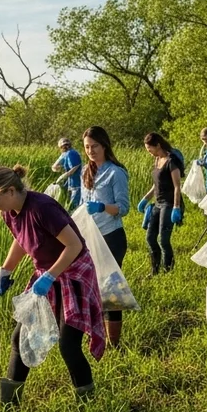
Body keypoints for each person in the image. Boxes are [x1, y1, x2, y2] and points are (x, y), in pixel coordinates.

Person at [0, 166, 105, 405]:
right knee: (21, 337)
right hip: (46, 275)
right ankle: (9, 403)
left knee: (68, 344)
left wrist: (50, 276)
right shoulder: (8, 211)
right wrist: (5, 270)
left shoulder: (43, 208)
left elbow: (74, 246)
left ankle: (88, 402)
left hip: (73, 272)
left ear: (10, 191)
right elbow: (22, 240)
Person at [80, 126, 131, 348]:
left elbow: (123, 207)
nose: (91, 151)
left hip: (111, 237)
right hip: (91, 237)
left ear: (104, 145)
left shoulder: (115, 173)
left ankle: (114, 343)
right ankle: (96, 337)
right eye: (87, 147)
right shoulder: (85, 171)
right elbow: (82, 204)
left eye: (95, 146)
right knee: (91, 288)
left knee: (110, 292)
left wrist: (102, 206)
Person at [136, 133, 183, 275]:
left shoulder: (171, 161)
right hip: (157, 204)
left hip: (169, 205)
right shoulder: (157, 160)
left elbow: (177, 186)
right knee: (150, 238)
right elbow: (155, 185)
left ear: (158, 145)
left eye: (150, 149)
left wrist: (176, 207)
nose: (149, 152)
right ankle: (154, 269)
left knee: (163, 240)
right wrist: (145, 198)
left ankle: (168, 270)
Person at [51, 137, 84, 210]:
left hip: (77, 183)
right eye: (63, 146)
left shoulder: (72, 153)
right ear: (61, 147)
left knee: (74, 206)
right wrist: (59, 168)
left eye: (67, 145)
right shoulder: (64, 154)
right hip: (70, 184)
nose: (66, 146)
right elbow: (54, 167)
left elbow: (75, 167)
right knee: (69, 205)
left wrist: (64, 175)